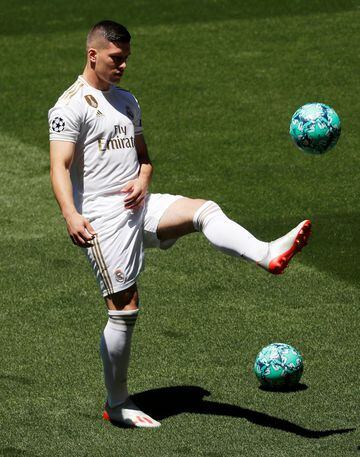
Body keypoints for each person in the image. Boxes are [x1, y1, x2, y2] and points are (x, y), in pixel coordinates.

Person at [49, 20, 311, 429]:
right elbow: (59, 167)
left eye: (127, 60)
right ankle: (117, 403)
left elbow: (145, 158)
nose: (123, 67)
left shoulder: (127, 100)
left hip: (141, 204)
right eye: (116, 59)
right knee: (124, 311)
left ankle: (267, 253)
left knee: (203, 210)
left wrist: (143, 178)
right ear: (93, 55)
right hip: (103, 220)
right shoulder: (70, 107)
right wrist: (70, 214)